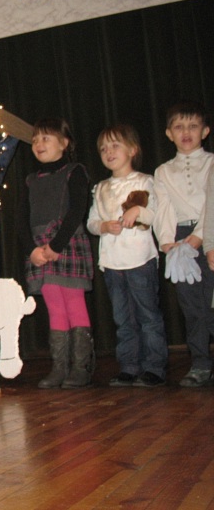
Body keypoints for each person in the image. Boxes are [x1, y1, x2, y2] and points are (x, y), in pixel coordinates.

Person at [87, 124, 168, 387]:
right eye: (103, 148)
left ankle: (154, 367)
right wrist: (103, 226)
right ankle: (129, 366)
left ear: (132, 150)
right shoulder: (101, 187)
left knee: (148, 316)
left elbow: (156, 214)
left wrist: (138, 212)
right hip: (112, 263)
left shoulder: (145, 181)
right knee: (123, 318)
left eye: (115, 146)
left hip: (140, 260)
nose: (108, 152)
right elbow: (91, 222)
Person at [18, 118, 95, 389]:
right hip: (40, 249)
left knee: (74, 303)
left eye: (46, 138)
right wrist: (32, 250)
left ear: (64, 143)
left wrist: (56, 246)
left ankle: (81, 367)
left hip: (66, 244)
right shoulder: (30, 180)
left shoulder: (75, 172)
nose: (38, 144)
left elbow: (77, 211)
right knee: (54, 307)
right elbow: (22, 219)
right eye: (35, 140)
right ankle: (59, 367)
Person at [154, 101, 214, 388]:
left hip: (210, 234)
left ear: (205, 131)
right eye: (179, 127)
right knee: (191, 306)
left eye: (193, 126)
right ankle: (201, 363)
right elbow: (163, 209)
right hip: (181, 239)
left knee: (210, 303)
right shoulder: (163, 171)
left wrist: (201, 235)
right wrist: (167, 243)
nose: (186, 132)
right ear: (169, 133)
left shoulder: (211, 162)